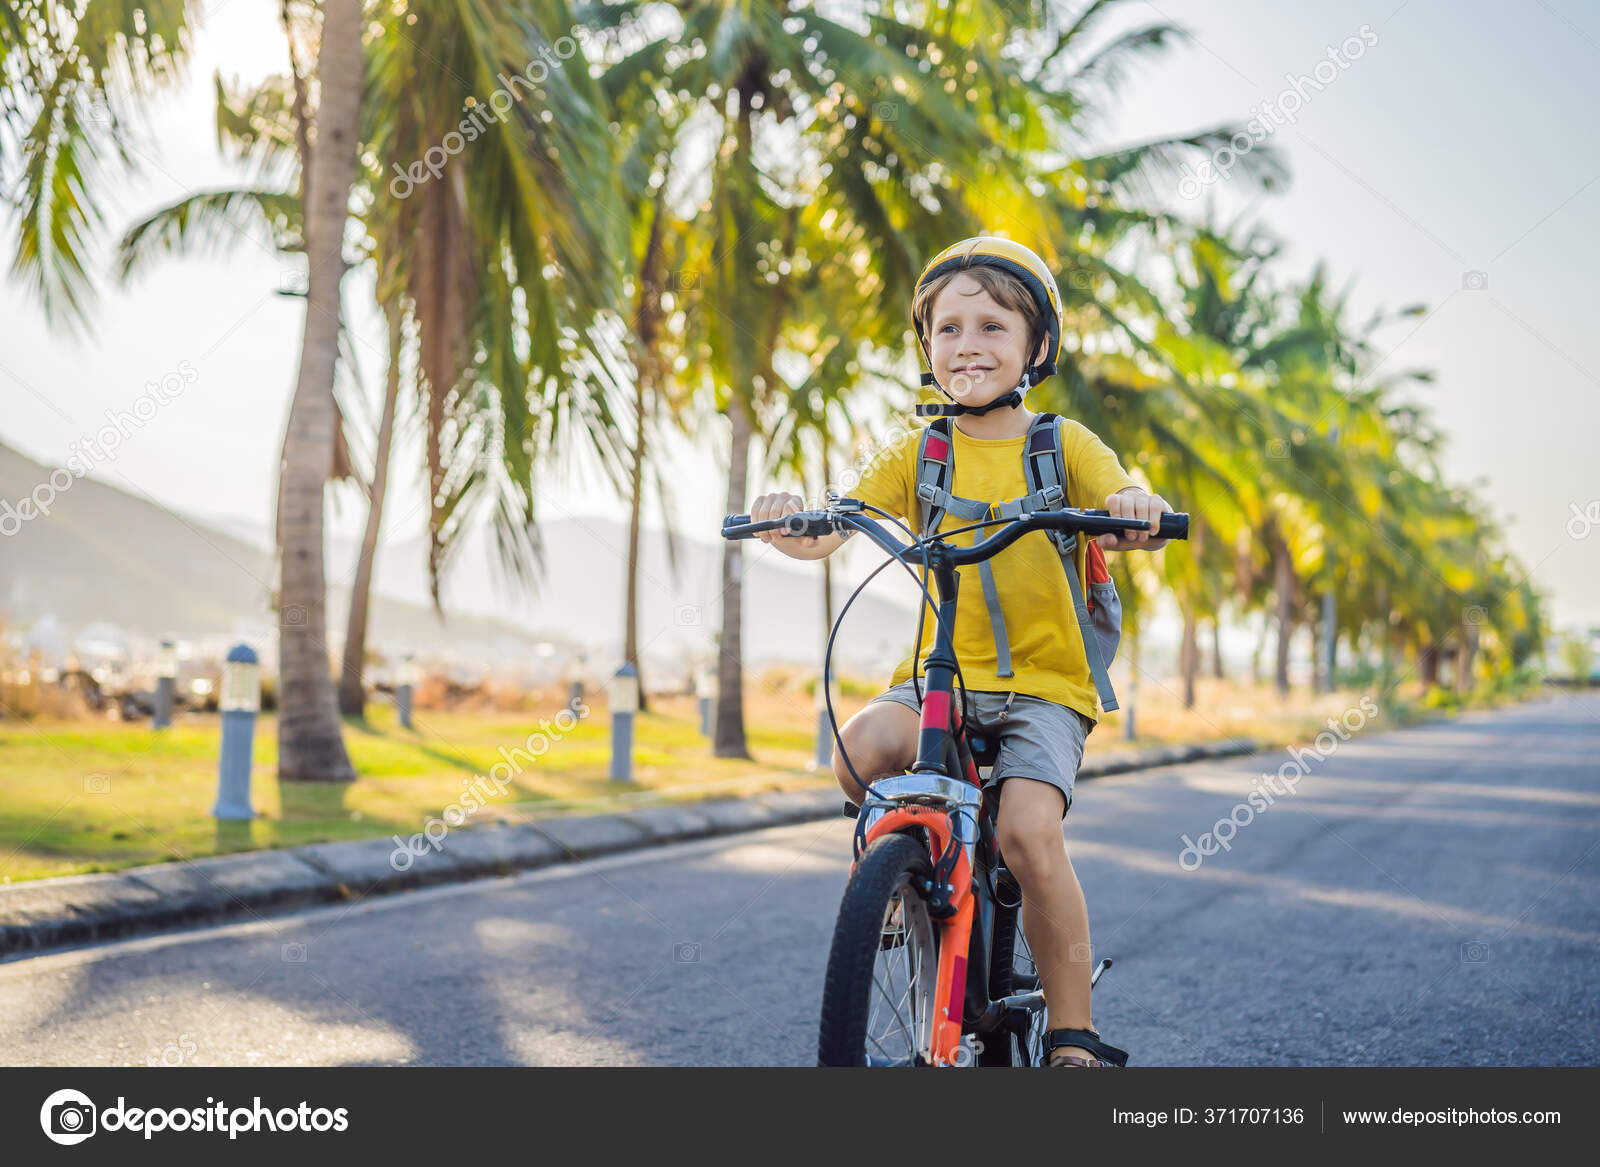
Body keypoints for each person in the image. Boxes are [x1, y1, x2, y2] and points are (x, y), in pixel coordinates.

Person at [746, 236, 1174, 1067]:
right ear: (926, 346)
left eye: (991, 325)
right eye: (947, 328)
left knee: (1027, 833)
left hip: (1044, 687)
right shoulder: (918, 450)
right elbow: (838, 521)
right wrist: (790, 522)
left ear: (1035, 347)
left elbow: (1127, 500)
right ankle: (905, 884)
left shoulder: (1063, 444)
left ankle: (1075, 1035)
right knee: (859, 748)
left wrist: (1135, 505)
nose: (967, 344)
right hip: (940, 679)